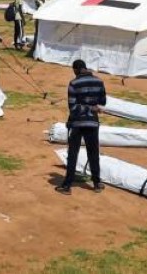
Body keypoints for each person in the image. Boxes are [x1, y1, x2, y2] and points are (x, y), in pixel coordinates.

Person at [57, 59, 107, 195]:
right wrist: (93, 107)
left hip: (77, 123)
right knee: (93, 153)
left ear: (75, 69)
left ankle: (67, 186)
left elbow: (73, 107)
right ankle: (97, 183)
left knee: (73, 154)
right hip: (93, 123)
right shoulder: (99, 82)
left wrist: (87, 107)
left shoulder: (73, 84)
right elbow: (103, 101)